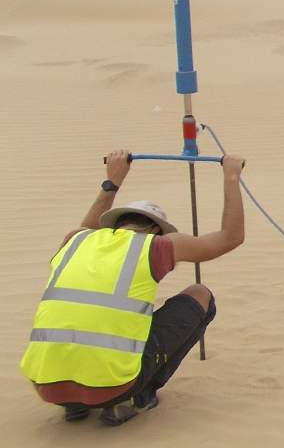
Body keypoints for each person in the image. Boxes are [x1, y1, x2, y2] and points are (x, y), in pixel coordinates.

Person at [19, 149, 246, 426]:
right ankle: (135, 397)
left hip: (46, 386)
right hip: (113, 387)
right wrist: (231, 176)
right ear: (156, 232)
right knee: (200, 295)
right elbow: (230, 238)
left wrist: (112, 182)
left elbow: (88, 226)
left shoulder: (75, 240)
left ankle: (73, 406)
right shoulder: (155, 246)